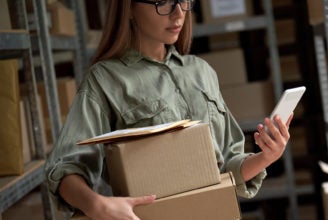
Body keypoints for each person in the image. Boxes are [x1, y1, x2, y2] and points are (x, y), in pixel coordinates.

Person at [45, 0, 293, 219]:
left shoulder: (201, 71)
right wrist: (97, 205)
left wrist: (267, 156)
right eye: (162, 2)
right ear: (129, 8)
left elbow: (228, 168)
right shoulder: (105, 80)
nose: (178, 13)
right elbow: (65, 168)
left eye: (183, 0)